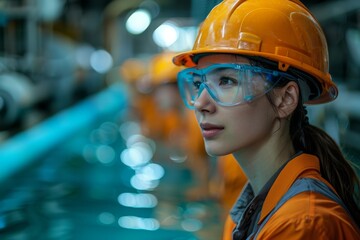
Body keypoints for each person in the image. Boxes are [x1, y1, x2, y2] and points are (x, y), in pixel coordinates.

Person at [172, 0, 360, 239]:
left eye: (227, 81)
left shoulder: (302, 224)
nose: (200, 104)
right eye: (198, 83)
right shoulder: (254, 209)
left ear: (285, 99)